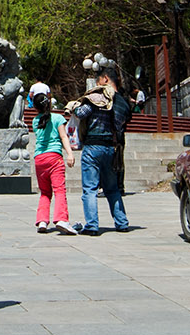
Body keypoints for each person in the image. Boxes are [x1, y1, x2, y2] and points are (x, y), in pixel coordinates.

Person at [73, 65, 133, 235]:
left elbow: (81, 113)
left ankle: (92, 226)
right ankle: (122, 223)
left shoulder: (97, 97)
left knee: (90, 189)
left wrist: (75, 107)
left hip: (92, 146)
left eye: (98, 80)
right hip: (110, 147)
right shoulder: (120, 101)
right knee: (112, 188)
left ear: (105, 79)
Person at [29, 91, 76, 235]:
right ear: (49, 103)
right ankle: (61, 219)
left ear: (35, 108)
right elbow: (63, 137)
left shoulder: (35, 121)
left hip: (39, 159)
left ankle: (42, 221)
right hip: (54, 157)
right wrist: (70, 153)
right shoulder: (58, 118)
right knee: (59, 189)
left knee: (45, 192)